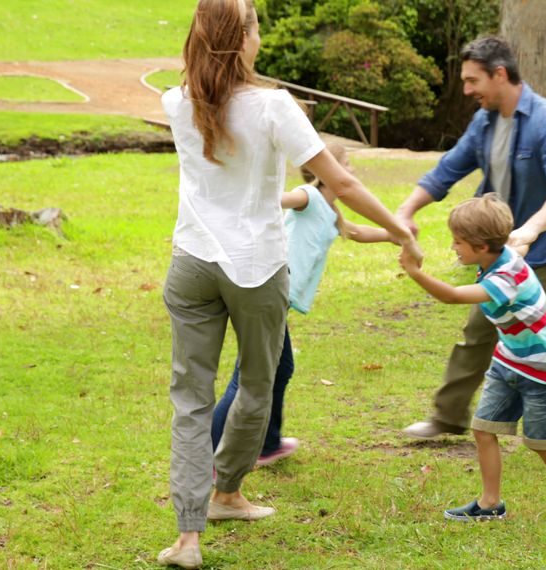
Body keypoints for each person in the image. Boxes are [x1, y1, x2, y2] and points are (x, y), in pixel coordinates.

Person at [158, 1, 420, 567]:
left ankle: (188, 536)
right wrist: (401, 230)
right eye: (256, 26)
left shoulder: (176, 101)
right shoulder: (275, 105)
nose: (260, 36)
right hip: (255, 267)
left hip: (191, 262)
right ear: (244, 38)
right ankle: (225, 492)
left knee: (190, 400)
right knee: (258, 383)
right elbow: (341, 182)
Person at [396, 36, 546, 468]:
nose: (467, 90)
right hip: (502, 258)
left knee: (544, 346)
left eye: (473, 80)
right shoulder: (486, 123)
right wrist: (406, 209)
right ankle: (449, 416)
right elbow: (447, 170)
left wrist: (529, 230)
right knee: (479, 334)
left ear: (500, 74)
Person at [210, 141, 396, 468]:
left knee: (280, 369)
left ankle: (267, 445)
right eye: (345, 163)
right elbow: (280, 200)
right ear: (327, 171)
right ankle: (208, 458)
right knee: (247, 376)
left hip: (276, 296)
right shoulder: (308, 197)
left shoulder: (330, 208)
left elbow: (354, 232)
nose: (351, 170)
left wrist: (393, 234)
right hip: (266, 287)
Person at [399, 195, 546, 520]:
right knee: (483, 429)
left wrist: (414, 272)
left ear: (482, 246)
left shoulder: (504, 279)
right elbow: (518, 245)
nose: (453, 247)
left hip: (542, 368)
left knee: (541, 441)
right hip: (508, 360)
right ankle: (489, 503)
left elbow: (452, 295)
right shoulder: (499, 253)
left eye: (458, 242)